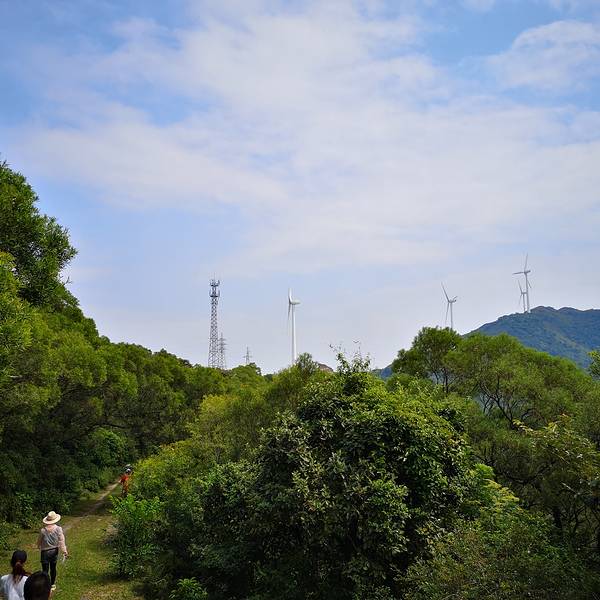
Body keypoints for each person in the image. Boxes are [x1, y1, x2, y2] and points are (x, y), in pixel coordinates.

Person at [36, 512, 67, 591]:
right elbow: (61, 540)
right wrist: (64, 550)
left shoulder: (43, 530)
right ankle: (52, 584)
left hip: (44, 552)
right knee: (53, 568)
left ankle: (45, 585)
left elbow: (39, 541)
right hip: (54, 551)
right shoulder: (58, 529)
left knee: (45, 570)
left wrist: (38, 546)